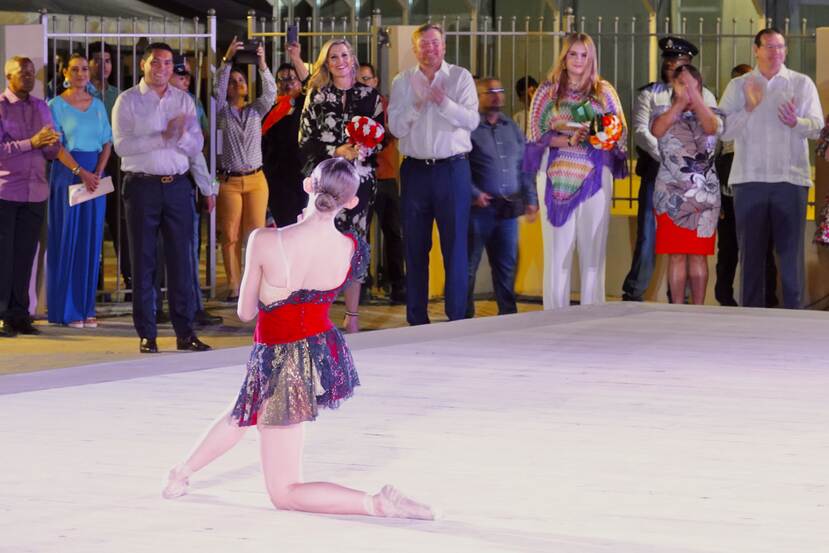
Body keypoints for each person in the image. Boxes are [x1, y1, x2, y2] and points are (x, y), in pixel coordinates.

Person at [160, 157, 435, 520]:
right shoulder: (350, 247)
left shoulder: (265, 240)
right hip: (313, 354)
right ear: (350, 202)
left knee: (284, 492)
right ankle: (181, 472)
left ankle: (375, 503)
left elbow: (245, 312)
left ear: (308, 185)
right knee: (243, 411)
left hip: (280, 357)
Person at [112, 42, 211, 353]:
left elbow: (196, 145)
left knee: (182, 260)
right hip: (142, 187)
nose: (163, 69)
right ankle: (148, 333)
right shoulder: (127, 101)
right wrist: (162, 137)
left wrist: (180, 135)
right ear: (144, 64)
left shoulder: (183, 100)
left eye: (168, 64)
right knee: (144, 260)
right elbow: (122, 146)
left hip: (178, 187)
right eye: (156, 62)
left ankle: (185, 331)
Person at [718, 28, 823, 309]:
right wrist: (749, 108)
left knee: (790, 256)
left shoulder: (801, 84)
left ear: (786, 51)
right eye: (769, 46)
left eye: (780, 47)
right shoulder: (739, 86)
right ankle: (751, 318)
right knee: (750, 255)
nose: (775, 52)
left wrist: (796, 123)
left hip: (790, 180)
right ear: (756, 49)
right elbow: (723, 131)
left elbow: (817, 128)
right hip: (749, 179)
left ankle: (794, 317)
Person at [523, 32, 628, 309]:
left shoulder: (604, 91)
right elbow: (535, 134)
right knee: (557, 255)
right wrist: (567, 138)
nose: (579, 60)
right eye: (573, 54)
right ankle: (554, 317)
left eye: (584, 54)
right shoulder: (546, 92)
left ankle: (593, 317)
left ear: (591, 58)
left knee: (593, 255)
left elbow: (620, 132)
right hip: (554, 178)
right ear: (564, 56)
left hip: (595, 177)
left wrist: (598, 135)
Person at [388, 23, 478, 325]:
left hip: (453, 170)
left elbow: (471, 120)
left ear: (444, 45)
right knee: (414, 247)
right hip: (415, 171)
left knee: (455, 247)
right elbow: (396, 128)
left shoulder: (460, 77)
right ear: (415, 49)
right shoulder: (402, 81)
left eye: (436, 43)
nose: (431, 49)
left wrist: (442, 101)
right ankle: (416, 319)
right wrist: (417, 102)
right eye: (424, 44)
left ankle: (456, 317)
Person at [621, 36, 717, 302]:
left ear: (690, 64)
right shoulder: (649, 93)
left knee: (690, 246)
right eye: (669, 60)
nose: (673, 64)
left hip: (694, 182)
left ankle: (685, 302)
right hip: (658, 176)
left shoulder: (705, 95)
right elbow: (641, 131)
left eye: (679, 60)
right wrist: (669, 158)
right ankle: (634, 294)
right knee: (649, 239)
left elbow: (712, 137)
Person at [298, 38, 383, 333]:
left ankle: (353, 314)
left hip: (360, 182)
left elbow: (381, 138)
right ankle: (317, 312)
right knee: (321, 243)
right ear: (326, 62)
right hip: (326, 182)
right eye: (333, 56)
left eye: (345, 55)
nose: (340, 61)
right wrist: (337, 151)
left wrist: (364, 149)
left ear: (353, 59)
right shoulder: (317, 96)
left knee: (355, 244)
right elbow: (305, 141)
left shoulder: (370, 96)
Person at [47, 53, 112, 327]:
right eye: (74, 69)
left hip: (95, 177)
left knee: (91, 242)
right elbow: (56, 146)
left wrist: (97, 172)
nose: (81, 73)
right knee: (68, 241)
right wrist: (81, 172)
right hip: (68, 175)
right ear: (65, 73)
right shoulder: (55, 105)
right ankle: (68, 309)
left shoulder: (98, 105)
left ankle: (87, 308)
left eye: (84, 69)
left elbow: (107, 141)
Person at [651, 64, 723, 304]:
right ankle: (677, 309)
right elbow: (658, 130)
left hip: (703, 198)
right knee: (677, 256)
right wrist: (680, 104)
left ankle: (698, 310)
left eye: (693, 85)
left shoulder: (713, 113)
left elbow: (712, 128)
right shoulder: (662, 112)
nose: (687, 90)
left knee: (699, 257)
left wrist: (696, 99)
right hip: (671, 197)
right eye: (681, 84)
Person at [466, 77, 538, 317]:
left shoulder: (512, 128)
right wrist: (474, 193)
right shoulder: (469, 129)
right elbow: (459, 167)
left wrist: (530, 199)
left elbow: (525, 166)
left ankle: (507, 316)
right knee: (468, 267)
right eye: (489, 92)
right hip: (478, 210)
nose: (496, 95)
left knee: (507, 266)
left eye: (499, 90)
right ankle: (463, 318)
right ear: (477, 97)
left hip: (507, 210)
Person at [0, 56, 62, 337]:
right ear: (8, 76)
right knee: (4, 256)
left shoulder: (40, 107)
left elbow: (49, 151)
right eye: (22, 73)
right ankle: (1, 314)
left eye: (31, 73)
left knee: (26, 255)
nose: (28, 77)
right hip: (6, 191)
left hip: (35, 191)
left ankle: (19, 314)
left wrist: (51, 144)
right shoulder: (1, 108)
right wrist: (32, 143)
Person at [215, 37, 276, 303]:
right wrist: (227, 61)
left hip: (256, 179)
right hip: (230, 180)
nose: (237, 84)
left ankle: (255, 283)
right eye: (233, 81)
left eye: (241, 81)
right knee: (229, 235)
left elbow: (271, 94)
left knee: (255, 235)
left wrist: (262, 64)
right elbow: (216, 91)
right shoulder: (221, 112)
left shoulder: (255, 111)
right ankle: (234, 285)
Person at [714, 63, 779, 307]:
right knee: (729, 249)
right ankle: (725, 298)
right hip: (730, 193)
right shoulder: (726, 118)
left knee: (763, 250)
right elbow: (714, 154)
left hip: (761, 191)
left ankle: (767, 300)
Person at [169, 54, 222, 326]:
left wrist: (207, 187)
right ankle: (174, 305)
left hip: (186, 182)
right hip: (168, 180)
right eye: (180, 75)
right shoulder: (164, 104)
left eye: (187, 75)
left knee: (190, 248)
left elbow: (199, 147)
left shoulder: (191, 103)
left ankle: (191, 304)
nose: (185, 80)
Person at [358, 62, 406, 304]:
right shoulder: (354, 108)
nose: (364, 83)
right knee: (360, 235)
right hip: (361, 178)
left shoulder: (387, 106)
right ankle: (362, 284)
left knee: (394, 234)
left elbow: (396, 131)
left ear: (375, 81)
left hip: (386, 177)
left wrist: (378, 133)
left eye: (368, 79)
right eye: (360, 79)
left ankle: (397, 285)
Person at [87, 41, 131, 293]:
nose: (102, 65)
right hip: (88, 162)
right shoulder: (79, 93)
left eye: (107, 61)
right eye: (97, 60)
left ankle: (128, 280)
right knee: (92, 223)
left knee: (119, 222)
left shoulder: (117, 95)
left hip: (115, 163)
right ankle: (95, 285)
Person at [261, 41, 309, 228]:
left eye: (291, 78)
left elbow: (311, 82)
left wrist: (296, 58)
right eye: (281, 80)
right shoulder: (270, 110)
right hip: (277, 180)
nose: (287, 83)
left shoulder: (306, 104)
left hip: (301, 177)